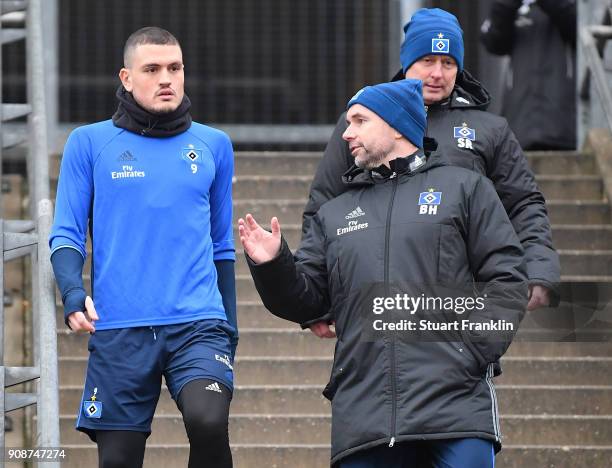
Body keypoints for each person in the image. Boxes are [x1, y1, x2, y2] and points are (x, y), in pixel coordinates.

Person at [239, 79, 528, 467]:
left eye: (359, 121)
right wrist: (273, 264)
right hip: (365, 416)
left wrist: (472, 350)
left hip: (456, 409)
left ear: (396, 125)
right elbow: (306, 300)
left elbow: (507, 277)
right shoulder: (335, 214)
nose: (347, 132)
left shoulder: (466, 189)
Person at [302, 8, 559, 339]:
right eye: (427, 60)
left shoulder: (489, 130)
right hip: (374, 302)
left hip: (458, 305)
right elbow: (324, 203)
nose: (438, 73)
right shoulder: (361, 121)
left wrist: (538, 267)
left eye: (448, 63)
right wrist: (316, 297)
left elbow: (523, 203)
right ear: (407, 61)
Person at [50, 27, 237, 468]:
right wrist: (72, 292)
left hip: (197, 322)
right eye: (151, 69)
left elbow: (221, 245)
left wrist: (229, 328)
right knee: (118, 460)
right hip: (118, 327)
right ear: (127, 78)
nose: (166, 78)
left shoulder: (214, 145)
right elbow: (67, 234)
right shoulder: (89, 143)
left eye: (175, 68)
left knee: (208, 421)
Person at [480, 0, 577, 151]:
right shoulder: (514, 8)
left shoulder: (579, 6)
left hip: (564, 125)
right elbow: (492, 42)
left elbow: (577, 27)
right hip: (520, 125)